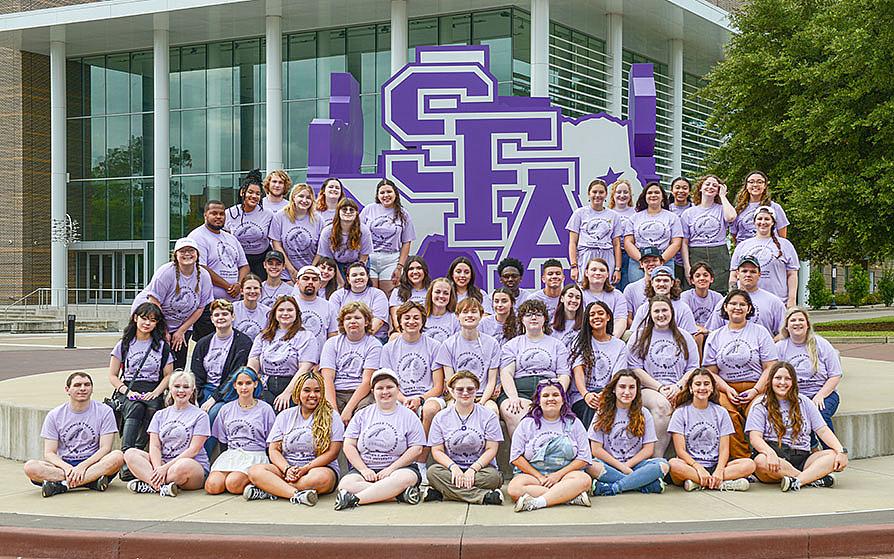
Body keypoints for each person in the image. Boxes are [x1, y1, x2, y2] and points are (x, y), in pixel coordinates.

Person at [244, 371, 344, 505]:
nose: (312, 395)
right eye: (307, 390)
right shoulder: (285, 416)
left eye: (317, 391)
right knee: (255, 471)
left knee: (322, 479)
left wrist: (306, 468)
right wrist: (287, 469)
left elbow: (333, 452)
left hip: (317, 468)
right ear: (298, 392)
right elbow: (274, 450)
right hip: (287, 468)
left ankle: (273, 489)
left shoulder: (332, 416)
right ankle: (297, 495)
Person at [746, 362, 848, 492]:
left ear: (793, 382)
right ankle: (811, 478)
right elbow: (755, 438)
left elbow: (822, 430)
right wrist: (769, 452)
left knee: (832, 454)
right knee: (760, 461)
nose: (782, 382)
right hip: (775, 458)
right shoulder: (760, 404)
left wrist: (841, 451)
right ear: (770, 380)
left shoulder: (804, 402)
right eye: (778, 378)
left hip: (802, 457)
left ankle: (797, 481)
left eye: (787, 379)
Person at [334, 368, 427, 510]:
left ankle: (354, 499)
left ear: (398, 389)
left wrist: (390, 469)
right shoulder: (362, 414)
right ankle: (397, 495)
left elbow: (417, 448)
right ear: (372, 391)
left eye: (389, 387)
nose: (385, 392)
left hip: (399, 469)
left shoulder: (409, 416)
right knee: (345, 484)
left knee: (405, 479)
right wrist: (364, 470)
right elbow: (348, 445)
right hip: (366, 469)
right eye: (380, 388)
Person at [703, 289, 778, 459]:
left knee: (757, 412)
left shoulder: (760, 332)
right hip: (725, 388)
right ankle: (742, 460)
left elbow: (770, 367)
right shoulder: (715, 336)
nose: (737, 307)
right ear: (726, 307)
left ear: (749, 309)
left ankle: (765, 458)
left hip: (756, 387)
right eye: (733, 304)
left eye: (742, 304)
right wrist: (727, 389)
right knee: (726, 413)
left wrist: (756, 391)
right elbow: (710, 372)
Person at [24, 372, 124, 497]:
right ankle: (90, 482)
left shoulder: (105, 411)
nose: (82, 388)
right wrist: (67, 468)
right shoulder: (55, 415)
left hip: (93, 464)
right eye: (77, 385)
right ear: (67, 389)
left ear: (92, 389)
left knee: (118, 457)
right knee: (30, 467)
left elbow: (105, 448)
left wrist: (83, 466)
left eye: (87, 385)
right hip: (64, 465)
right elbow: (49, 453)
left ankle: (62, 485)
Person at [626, 295, 700, 456]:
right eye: (656, 311)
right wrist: (660, 388)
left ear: (672, 312)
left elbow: (693, 368)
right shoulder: (639, 336)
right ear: (650, 314)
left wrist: (678, 386)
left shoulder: (685, 336)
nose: (661, 315)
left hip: (679, 387)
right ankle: (656, 459)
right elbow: (635, 368)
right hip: (647, 389)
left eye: (664, 310)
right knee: (662, 405)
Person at [380, 300, 445, 483]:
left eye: (416, 318)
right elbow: (387, 383)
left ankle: (420, 463)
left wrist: (419, 399)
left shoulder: (434, 346)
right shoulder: (389, 348)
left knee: (430, 410)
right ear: (399, 321)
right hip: (397, 396)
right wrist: (402, 398)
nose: (411, 321)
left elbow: (438, 387)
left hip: (428, 396)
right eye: (406, 318)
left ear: (423, 321)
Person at [508, 379, 593, 512]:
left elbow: (584, 457)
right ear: (538, 400)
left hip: (565, 476)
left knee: (585, 480)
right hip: (535, 476)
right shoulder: (527, 424)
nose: (550, 399)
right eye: (545, 396)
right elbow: (515, 457)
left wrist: (558, 475)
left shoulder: (574, 423)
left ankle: (537, 502)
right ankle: (569, 496)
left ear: (563, 399)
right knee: (514, 489)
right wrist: (540, 477)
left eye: (555, 395)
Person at [124, 370, 211, 497]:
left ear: (192, 390)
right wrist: (158, 467)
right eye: (177, 386)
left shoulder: (200, 416)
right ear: (170, 388)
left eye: (186, 387)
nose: (181, 390)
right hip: (163, 463)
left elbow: (193, 450)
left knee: (181, 466)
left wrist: (164, 469)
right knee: (130, 453)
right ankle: (160, 486)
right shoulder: (160, 415)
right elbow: (155, 446)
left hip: (191, 467)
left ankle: (149, 483)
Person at [131, 237, 213, 369]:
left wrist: (181, 331)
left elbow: (201, 307)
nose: (187, 254)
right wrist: (163, 330)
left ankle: (173, 388)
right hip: (154, 318)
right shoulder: (166, 272)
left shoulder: (204, 276)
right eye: (183, 251)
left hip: (182, 322)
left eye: (191, 250)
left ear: (197, 254)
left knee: (178, 361)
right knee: (156, 360)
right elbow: (154, 302)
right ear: (175, 255)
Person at [667, 368, 755, 491]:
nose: (702, 388)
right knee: (673, 464)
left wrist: (719, 470)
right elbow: (680, 451)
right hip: (691, 466)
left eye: (706, 384)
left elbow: (724, 448)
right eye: (698, 384)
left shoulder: (721, 412)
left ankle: (699, 483)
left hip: (715, 465)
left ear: (712, 388)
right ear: (691, 388)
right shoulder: (680, 413)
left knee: (749, 464)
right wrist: (698, 467)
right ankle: (720, 484)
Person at [426, 371, 505, 505]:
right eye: (460, 389)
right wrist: (454, 468)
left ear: (477, 390)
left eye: (470, 389)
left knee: (494, 478)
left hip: (482, 470)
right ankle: (483, 496)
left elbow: (491, 449)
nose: (465, 393)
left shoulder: (488, 416)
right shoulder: (441, 417)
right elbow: (437, 451)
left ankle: (444, 493)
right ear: (451, 391)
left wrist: (473, 469)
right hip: (451, 469)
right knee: (432, 473)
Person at [108, 303, 173, 465]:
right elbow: (112, 375)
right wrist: (126, 391)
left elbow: (168, 375)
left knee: (152, 408)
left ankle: (134, 454)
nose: (147, 323)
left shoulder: (162, 346)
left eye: (152, 320)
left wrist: (156, 392)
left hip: (152, 388)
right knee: (136, 406)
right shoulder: (124, 344)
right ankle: (126, 452)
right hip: (129, 388)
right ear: (135, 318)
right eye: (144, 318)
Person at [589, 370, 669, 496]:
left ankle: (613, 488)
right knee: (591, 466)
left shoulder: (644, 413)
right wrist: (621, 467)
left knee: (663, 465)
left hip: (635, 465)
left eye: (632, 387)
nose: (627, 392)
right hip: (610, 465)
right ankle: (642, 484)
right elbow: (596, 449)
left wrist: (627, 465)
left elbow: (648, 449)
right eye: (622, 387)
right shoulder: (602, 412)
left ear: (637, 390)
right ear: (614, 389)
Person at [499, 300, 571, 437]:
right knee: (513, 411)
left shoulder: (557, 345)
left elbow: (564, 374)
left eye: (538, 314)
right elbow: (506, 373)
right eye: (529, 314)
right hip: (520, 391)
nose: (533, 317)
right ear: (521, 319)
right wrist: (513, 397)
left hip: (548, 389)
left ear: (545, 319)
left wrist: (556, 394)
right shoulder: (512, 345)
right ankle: (520, 455)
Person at [191, 298, 253, 453]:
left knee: (212, 414)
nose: (221, 318)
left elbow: (235, 376)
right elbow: (196, 375)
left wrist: (213, 399)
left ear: (233, 316)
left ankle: (201, 457)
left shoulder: (243, 343)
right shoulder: (203, 343)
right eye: (217, 315)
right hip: (205, 390)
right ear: (212, 319)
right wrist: (195, 398)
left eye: (225, 314)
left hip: (229, 393)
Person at [205, 367, 275, 496]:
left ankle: (258, 486)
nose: (244, 387)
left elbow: (271, 443)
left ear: (255, 384)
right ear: (234, 385)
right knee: (212, 486)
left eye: (248, 383)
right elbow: (223, 441)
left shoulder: (265, 409)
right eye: (240, 383)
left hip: (254, 455)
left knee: (233, 484)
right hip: (232, 454)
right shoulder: (226, 409)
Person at [775, 307, 842, 438]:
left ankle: (833, 451)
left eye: (801, 320)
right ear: (787, 326)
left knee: (819, 414)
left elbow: (835, 374)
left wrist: (820, 395)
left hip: (823, 394)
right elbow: (774, 377)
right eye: (793, 320)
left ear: (807, 325)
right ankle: (811, 449)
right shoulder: (780, 347)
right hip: (794, 396)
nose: (797, 323)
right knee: (798, 414)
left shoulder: (821, 344)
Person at [247, 295, 318, 412]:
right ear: (275, 313)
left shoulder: (306, 336)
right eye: (281, 310)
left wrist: (287, 393)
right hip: (265, 385)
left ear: (297, 314)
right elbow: (252, 365)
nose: (285, 313)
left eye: (290, 310)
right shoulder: (262, 336)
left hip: (292, 384)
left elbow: (304, 369)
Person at [320, 301, 382, 425]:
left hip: (360, 393)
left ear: (367, 322)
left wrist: (348, 410)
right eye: (348, 318)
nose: (352, 321)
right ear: (342, 323)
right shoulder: (332, 343)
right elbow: (328, 378)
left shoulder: (374, 345)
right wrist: (334, 411)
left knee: (362, 415)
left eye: (357, 318)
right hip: (335, 392)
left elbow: (367, 381)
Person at [437, 298, 501, 415]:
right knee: (451, 411)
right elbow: (450, 381)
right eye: (465, 312)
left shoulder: (492, 344)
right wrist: (461, 399)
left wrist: (481, 403)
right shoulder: (448, 344)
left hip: (483, 396)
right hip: (457, 396)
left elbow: (491, 381)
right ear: (458, 316)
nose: (470, 315)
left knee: (492, 411)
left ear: (481, 315)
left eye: (474, 311)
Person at [188, 200, 249, 322]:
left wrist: (238, 284)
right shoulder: (198, 237)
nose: (218, 217)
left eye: (221, 214)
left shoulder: (231, 238)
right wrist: (228, 287)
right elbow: (201, 268)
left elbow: (244, 265)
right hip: (209, 306)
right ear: (205, 215)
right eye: (214, 213)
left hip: (234, 304)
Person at [569, 301, 627, 428]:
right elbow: (578, 372)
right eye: (592, 315)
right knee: (593, 406)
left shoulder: (619, 346)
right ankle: (590, 446)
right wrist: (586, 394)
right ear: (587, 320)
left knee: (603, 404)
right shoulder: (579, 341)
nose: (596, 317)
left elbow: (617, 376)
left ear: (608, 317)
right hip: (582, 397)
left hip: (609, 394)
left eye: (600, 313)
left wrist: (605, 394)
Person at [730, 206, 800, 306]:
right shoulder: (742, 246)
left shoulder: (785, 245)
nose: (763, 222)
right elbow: (733, 275)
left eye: (767, 219)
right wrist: (733, 296)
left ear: (773, 222)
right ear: (754, 222)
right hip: (748, 302)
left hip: (778, 301)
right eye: (759, 219)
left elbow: (792, 274)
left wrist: (792, 299)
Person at [360, 178, 415, 298]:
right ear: (377, 195)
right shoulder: (369, 209)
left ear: (395, 193)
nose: (386, 195)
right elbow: (357, 233)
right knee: (370, 296)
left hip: (391, 260)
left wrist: (400, 267)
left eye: (389, 192)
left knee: (388, 297)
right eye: (382, 193)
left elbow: (406, 242)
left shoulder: (403, 214)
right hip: (370, 258)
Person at [680, 175, 736, 291]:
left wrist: (722, 196)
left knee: (720, 290)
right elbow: (684, 242)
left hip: (718, 252)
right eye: (707, 184)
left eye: (715, 185)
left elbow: (731, 217)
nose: (710, 187)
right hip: (696, 252)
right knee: (697, 289)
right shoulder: (689, 213)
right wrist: (687, 266)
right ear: (700, 188)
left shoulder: (721, 208)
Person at [706, 256, 786, 335]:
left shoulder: (774, 302)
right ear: (737, 274)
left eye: (753, 272)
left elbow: (785, 333)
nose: (748, 275)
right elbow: (713, 332)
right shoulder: (724, 303)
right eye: (744, 271)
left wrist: (769, 344)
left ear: (759, 275)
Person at [567, 178, 624, 285]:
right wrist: (574, 266)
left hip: (606, 255)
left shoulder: (614, 216)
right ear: (589, 194)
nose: (597, 195)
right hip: (586, 255)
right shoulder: (579, 213)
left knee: (606, 288)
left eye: (601, 192)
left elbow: (616, 244)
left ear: (606, 194)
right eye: (594, 192)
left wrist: (617, 269)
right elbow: (572, 242)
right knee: (584, 288)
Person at [624, 181, 683, 284]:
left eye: (656, 192)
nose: (653, 195)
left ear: (663, 197)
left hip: (664, 259)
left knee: (664, 292)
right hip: (638, 261)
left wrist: (660, 261)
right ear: (645, 196)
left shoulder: (672, 217)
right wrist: (643, 261)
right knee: (639, 294)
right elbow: (628, 242)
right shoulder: (634, 217)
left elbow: (676, 243)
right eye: (650, 193)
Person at [270, 183, 322, 283]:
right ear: (294, 197)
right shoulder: (280, 216)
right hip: (286, 274)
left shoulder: (318, 219)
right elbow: (276, 244)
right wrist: (291, 270)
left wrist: (309, 270)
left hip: (310, 275)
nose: (304, 200)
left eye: (308, 198)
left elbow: (321, 248)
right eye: (301, 196)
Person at [226, 169, 273, 278]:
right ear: (242, 192)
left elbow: (274, 239)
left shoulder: (267, 214)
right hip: (239, 259)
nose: (254, 196)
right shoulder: (229, 213)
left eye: (258, 193)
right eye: (250, 192)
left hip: (261, 258)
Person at [330, 261, 391, 341]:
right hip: (344, 338)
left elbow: (377, 323)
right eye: (354, 275)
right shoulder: (337, 296)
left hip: (374, 338)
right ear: (348, 279)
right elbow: (335, 323)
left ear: (367, 277)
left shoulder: (378, 294)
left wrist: (358, 341)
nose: (359, 277)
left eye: (362, 274)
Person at [628, 265, 698, 335]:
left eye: (666, 281)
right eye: (658, 280)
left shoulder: (683, 309)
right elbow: (635, 336)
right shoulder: (643, 309)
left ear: (672, 283)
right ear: (652, 283)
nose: (661, 284)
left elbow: (689, 336)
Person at [315, 198, 373, 280]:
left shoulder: (364, 230)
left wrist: (355, 276)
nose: (348, 212)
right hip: (336, 264)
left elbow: (364, 257)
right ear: (338, 212)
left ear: (356, 213)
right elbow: (329, 260)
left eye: (351, 210)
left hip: (358, 263)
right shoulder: (327, 232)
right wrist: (340, 281)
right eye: (344, 209)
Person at [290, 265, 339, 362]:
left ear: (320, 284)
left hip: (318, 363)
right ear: (297, 282)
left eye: (315, 279)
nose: (310, 282)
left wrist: (325, 362)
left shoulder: (329, 306)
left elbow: (332, 337)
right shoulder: (287, 303)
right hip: (291, 361)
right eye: (306, 278)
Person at [731, 170, 789, 244]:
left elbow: (782, 237)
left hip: (769, 250)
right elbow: (734, 234)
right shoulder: (738, 209)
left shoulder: (775, 207)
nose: (755, 185)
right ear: (746, 186)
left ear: (764, 186)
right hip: (745, 252)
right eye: (751, 182)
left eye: (759, 182)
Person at [580, 258, 628, 337]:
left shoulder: (617, 295)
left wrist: (610, 340)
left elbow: (620, 320)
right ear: (586, 273)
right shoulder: (579, 294)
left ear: (607, 274)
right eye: (593, 270)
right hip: (585, 337)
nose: (598, 273)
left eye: (602, 270)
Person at [680, 261, 724, 340]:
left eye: (705, 275)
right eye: (697, 276)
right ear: (692, 280)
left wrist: (707, 331)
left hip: (712, 332)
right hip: (692, 333)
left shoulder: (718, 297)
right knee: (699, 335)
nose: (702, 278)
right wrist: (700, 329)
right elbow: (685, 320)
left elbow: (720, 321)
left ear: (711, 279)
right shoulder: (685, 296)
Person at [608, 179, 637, 291]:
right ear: (613, 195)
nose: (622, 195)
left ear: (630, 195)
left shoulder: (636, 213)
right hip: (612, 253)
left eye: (625, 192)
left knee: (627, 284)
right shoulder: (608, 213)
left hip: (630, 255)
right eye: (618, 192)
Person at [622, 246, 663, 322]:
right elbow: (628, 318)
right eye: (646, 261)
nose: (651, 264)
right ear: (641, 264)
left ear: (661, 263)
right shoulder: (630, 289)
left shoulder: (666, 287)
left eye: (654, 260)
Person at [389, 255, 432, 327]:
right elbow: (396, 321)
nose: (415, 272)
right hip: (406, 332)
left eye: (419, 268)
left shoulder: (432, 290)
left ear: (425, 271)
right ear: (406, 272)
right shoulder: (397, 292)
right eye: (411, 269)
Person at [668, 176, 693, 286]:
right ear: (671, 190)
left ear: (689, 191)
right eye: (677, 188)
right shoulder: (666, 210)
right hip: (672, 258)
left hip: (691, 256)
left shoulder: (694, 209)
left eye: (684, 188)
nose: (681, 191)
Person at [233, 274, 271, 341]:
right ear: (241, 291)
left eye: (256, 288)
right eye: (248, 288)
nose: (252, 291)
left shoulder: (267, 312)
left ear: (260, 291)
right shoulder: (233, 308)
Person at [422, 277, 460, 343]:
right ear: (431, 294)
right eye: (437, 292)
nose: (441, 296)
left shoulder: (455, 319)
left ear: (450, 296)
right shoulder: (421, 315)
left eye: (446, 293)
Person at [550, 284, 584, 351]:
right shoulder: (551, 325)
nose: (574, 300)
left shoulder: (586, 324)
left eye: (577, 298)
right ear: (562, 299)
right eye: (570, 296)